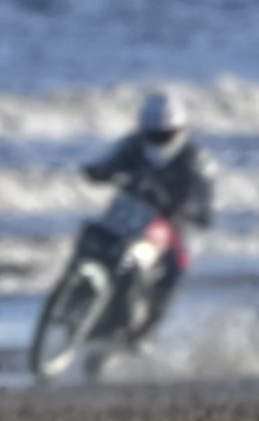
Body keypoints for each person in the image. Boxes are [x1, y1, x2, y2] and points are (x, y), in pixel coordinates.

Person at [82, 92, 216, 347]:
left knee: (175, 268)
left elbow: (204, 200)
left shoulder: (195, 160)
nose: (158, 140)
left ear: (179, 130)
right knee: (94, 236)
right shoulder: (133, 145)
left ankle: (143, 331)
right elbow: (107, 163)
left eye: (164, 135)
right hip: (129, 217)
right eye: (153, 134)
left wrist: (189, 211)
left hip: (169, 228)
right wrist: (96, 172)